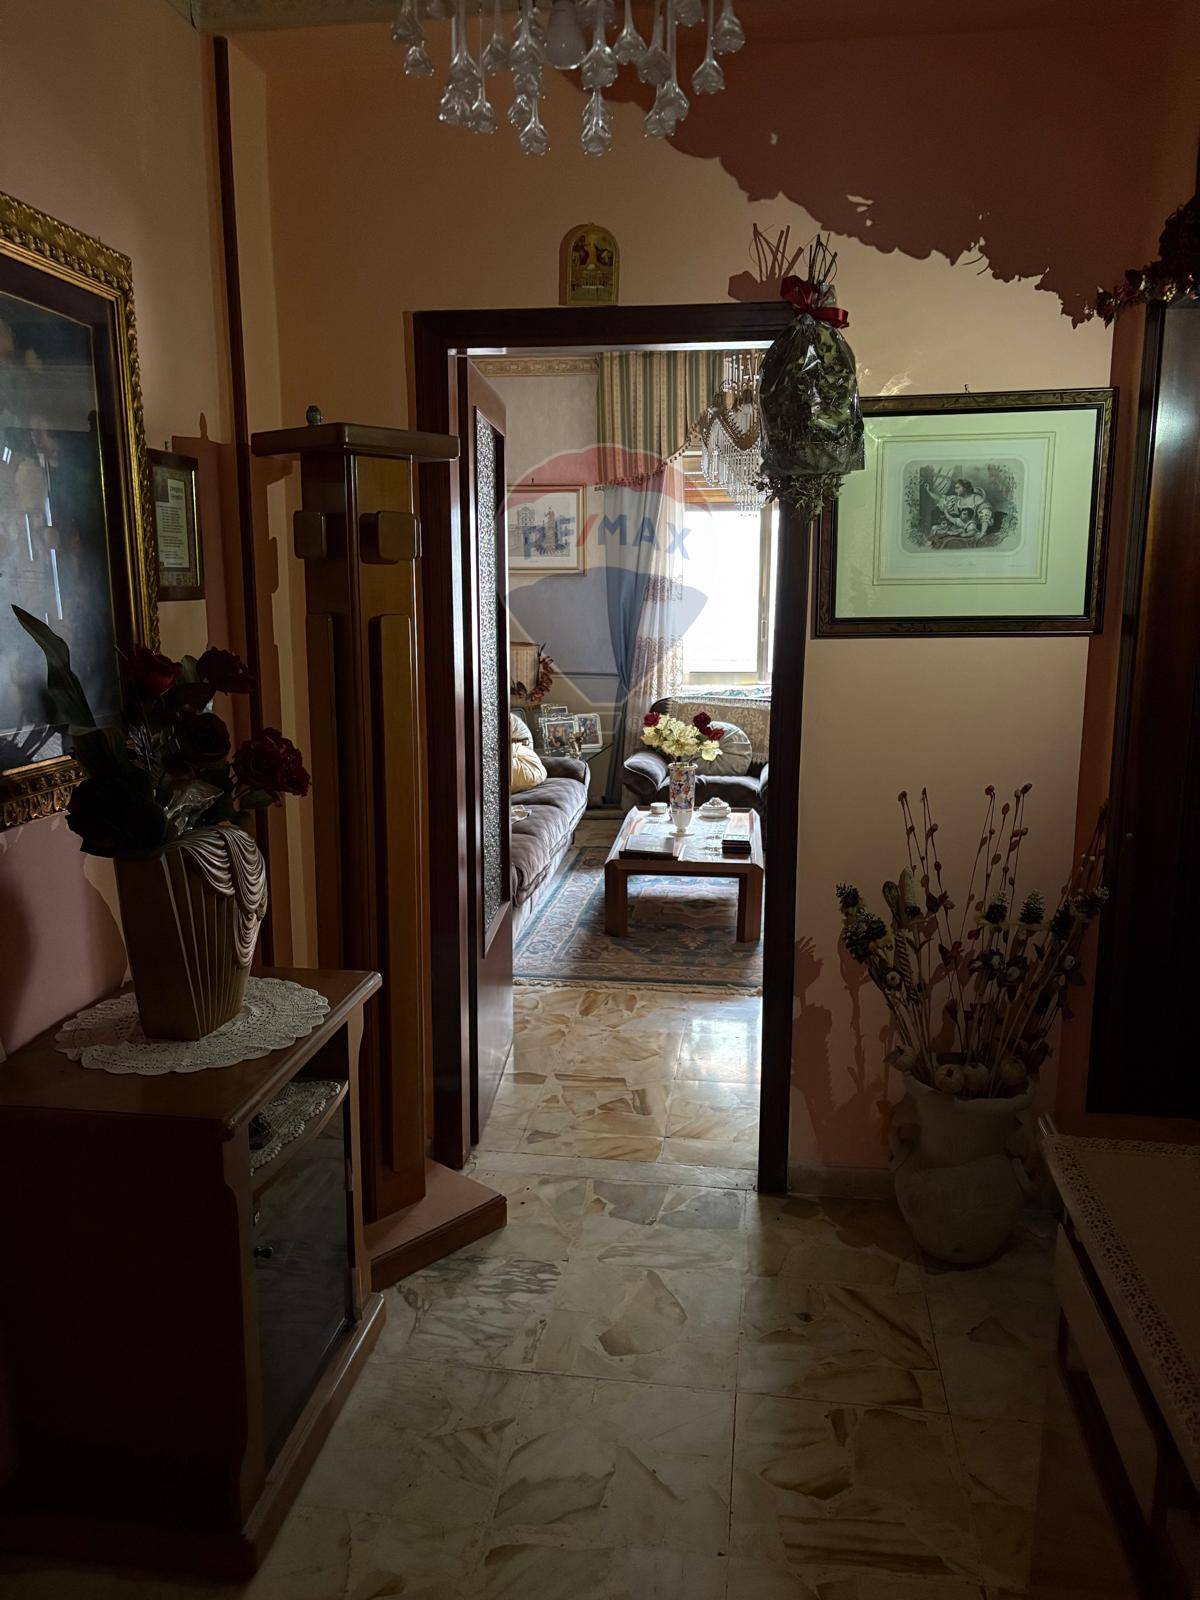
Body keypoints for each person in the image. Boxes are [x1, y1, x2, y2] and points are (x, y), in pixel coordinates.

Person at [928, 477, 994, 544]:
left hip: (972, 528)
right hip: (959, 528)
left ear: (965, 488)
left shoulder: (976, 499)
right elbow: (940, 499)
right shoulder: (956, 499)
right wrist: (928, 491)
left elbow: (985, 517)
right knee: (935, 528)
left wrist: (982, 533)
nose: (955, 490)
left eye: (957, 488)